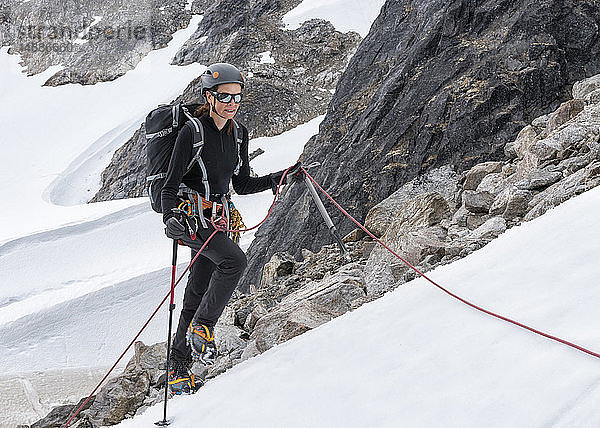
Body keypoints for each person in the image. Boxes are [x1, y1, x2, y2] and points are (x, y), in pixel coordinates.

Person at [161, 62, 299, 395]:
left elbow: (241, 183)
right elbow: (169, 185)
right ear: (208, 97)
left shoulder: (239, 133)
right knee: (235, 262)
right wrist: (170, 219)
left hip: (218, 218)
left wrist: (281, 176)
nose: (231, 103)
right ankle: (204, 327)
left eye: (236, 97)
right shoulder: (191, 133)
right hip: (190, 218)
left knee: (197, 289)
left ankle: (178, 369)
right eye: (224, 96)